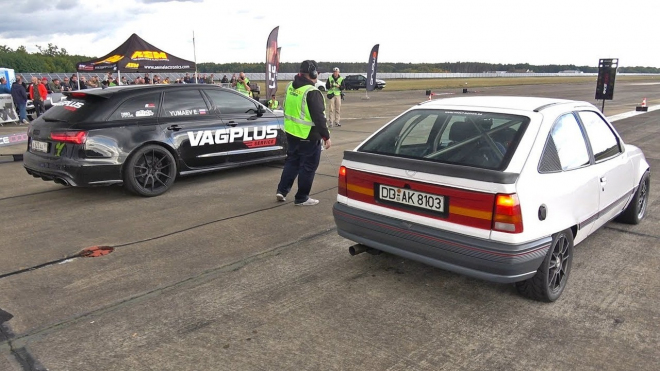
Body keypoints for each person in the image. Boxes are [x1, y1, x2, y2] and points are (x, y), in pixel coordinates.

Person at [275, 60, 331, 206]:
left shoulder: (290, 87)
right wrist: (326, 136)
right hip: (308, 135)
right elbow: (319, 117)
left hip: (291, 132)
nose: (318, 75)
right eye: (317, 73)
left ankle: (282, 190)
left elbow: (286, 106)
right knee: (308, 167)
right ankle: (302, 197)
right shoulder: (312, 92)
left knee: (292, 162)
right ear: (312, 73)